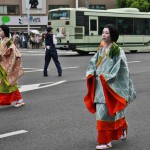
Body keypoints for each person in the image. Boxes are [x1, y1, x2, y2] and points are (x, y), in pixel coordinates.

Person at [84, 24, 136, 149]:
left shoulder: (118, 50)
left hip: (110, 85)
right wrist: (90, 73)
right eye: (103, 32)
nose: (104, 35)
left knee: (105, 113)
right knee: (110, 112)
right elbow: (93, 63)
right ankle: (122, 128)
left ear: (112, 35)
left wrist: (106, 77)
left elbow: (122, 69)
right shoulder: (101, 50)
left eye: (107, 33)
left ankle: (105, 141)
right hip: (100, 86)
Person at [0, 25, 25, 107]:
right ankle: (19, 100)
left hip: (6, 66)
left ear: (5, 32)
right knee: (11, 84)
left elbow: (12, 53)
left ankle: (17, 100)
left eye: (1, 30)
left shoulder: (8, 42)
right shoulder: (4, 41)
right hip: (4, 65)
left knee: (7, 84)